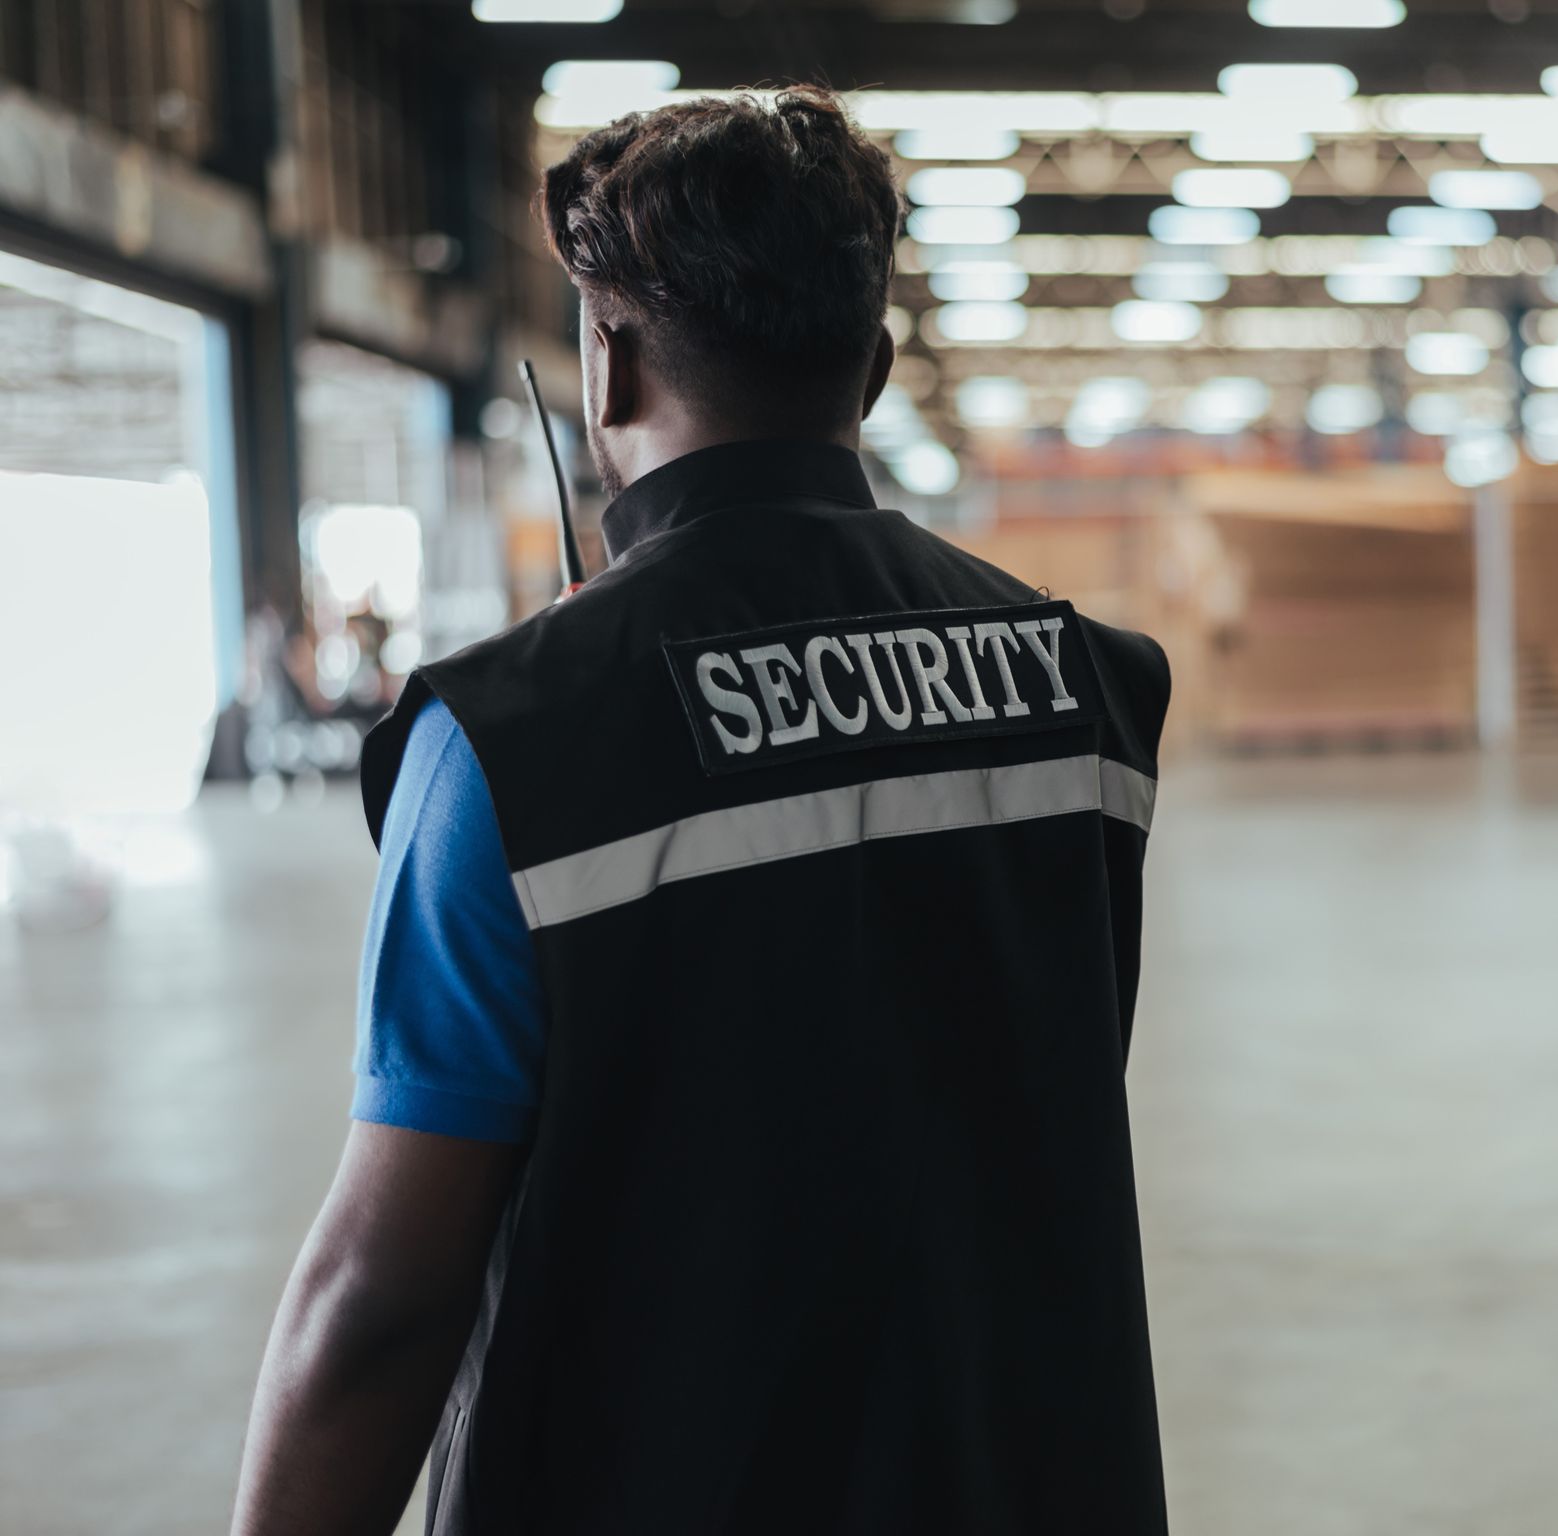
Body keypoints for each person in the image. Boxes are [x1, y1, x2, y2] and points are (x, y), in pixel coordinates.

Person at [231, 85, 1172, 1536]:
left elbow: (383, 1303)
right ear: (873, 366)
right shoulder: (1087, 689)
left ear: (604, 365)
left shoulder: (510, 745)